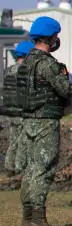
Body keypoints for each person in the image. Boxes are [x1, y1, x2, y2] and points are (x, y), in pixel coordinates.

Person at [13, 17, 72, 226]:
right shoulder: (47, 64)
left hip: (28, 121)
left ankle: (27, 218)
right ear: (51, 37)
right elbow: (67, 90)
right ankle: (39, 220)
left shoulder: (26, 64)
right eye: (56, 36)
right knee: (44, 168)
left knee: (31, 169)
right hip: (45, 122)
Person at [2, 41, 34, 175]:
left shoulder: (9, 70)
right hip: (22, 112)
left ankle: (9, 168)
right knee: (23, 141)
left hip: (11, 111)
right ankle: (20, 169)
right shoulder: (26, 71)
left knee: (13, 141)